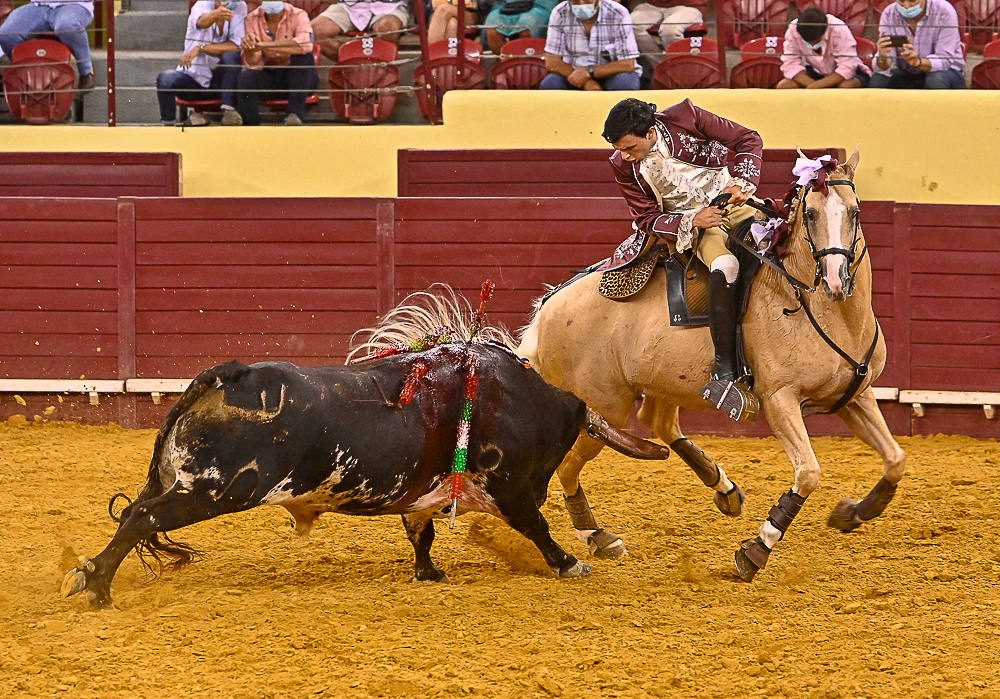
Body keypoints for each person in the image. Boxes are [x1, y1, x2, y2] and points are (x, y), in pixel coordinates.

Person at [601, 98, 764, 421]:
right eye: (620, 149)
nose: (625, 156)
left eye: (630, 147)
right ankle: (724, 370)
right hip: (696, 228)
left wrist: (740, 182)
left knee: (782, 244)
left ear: (650, 132)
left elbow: (748, 139)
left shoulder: (688, 117)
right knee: (725, 266)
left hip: (737, 206)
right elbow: (646, 218)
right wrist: (693, 220)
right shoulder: (622, 165)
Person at [155, 0, 245, 127]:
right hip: (192, 79)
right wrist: (216, 14)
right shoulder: (201, 4)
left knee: (231, 56)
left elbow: (236, 46)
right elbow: (201, 22)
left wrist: (201, 48)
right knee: (165, 79)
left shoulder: (240, 6)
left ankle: (229, 112)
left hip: (220, 82)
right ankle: (169, 124)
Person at [235, 0, 319, 126]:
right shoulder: (252, 18)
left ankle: (294, 115)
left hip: (300, 79)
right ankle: (251, 125)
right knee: (245, 78)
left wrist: (265, 45)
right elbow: (253, 63)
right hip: (270, 76)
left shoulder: (298, 15)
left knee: (303, 58)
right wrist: (251, 50)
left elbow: (305, 45)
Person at [541, 0, 641, 90]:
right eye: (575, 1)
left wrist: (589, 71)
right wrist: (586, 82)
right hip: (573, 73)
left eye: (587, 1)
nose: (581, 4)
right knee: (550, 83)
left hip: (611, 74)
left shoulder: (618, 12)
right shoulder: (559, 12)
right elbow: (551, 63)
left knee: (625, 82)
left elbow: (628, 64)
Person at [0, 0, 96, 91]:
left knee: (67, 26)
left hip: (74, 5)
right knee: (6, 34)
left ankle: (86, 71)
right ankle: (26, 74)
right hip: (39, 5)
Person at [870, 0, 965, 89]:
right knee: (878, 80)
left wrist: (918, 62)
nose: (906, 6)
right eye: (901, 1)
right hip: (908, 72)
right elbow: (885, 66)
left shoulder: (945, 11)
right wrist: (882, 58)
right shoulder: (889, 14)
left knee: (936, 80)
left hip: (947, 72)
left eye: (912, 0)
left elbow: (944, 61)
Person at [778, 6, 870, 89]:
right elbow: (790, 64)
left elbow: (847, 67)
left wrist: (817, 86)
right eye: (807, 42)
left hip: (849, 74)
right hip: (815, 71)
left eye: (817, 41)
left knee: (846, 86)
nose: (812, 46)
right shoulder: (793, 29)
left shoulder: (839, 28)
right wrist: (814, 85)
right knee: (784, 85)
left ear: (825, 30)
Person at [628, 0, 704, 79]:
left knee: (669, 30)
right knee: (629, 26)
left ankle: (683, 70)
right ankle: (662, 68)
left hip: (687, 6)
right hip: (652, 6)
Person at [311, 0, 409, 60]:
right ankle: (353, 64)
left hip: (390, 6)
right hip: (350, 6)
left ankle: (383, 69)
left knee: (389, 27)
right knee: (314, 30)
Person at [483, 0, 558, 55]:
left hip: (539, 4)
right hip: (506, 5)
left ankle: (526, 63)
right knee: (492, 30)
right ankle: (506, 63)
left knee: (526, 28)